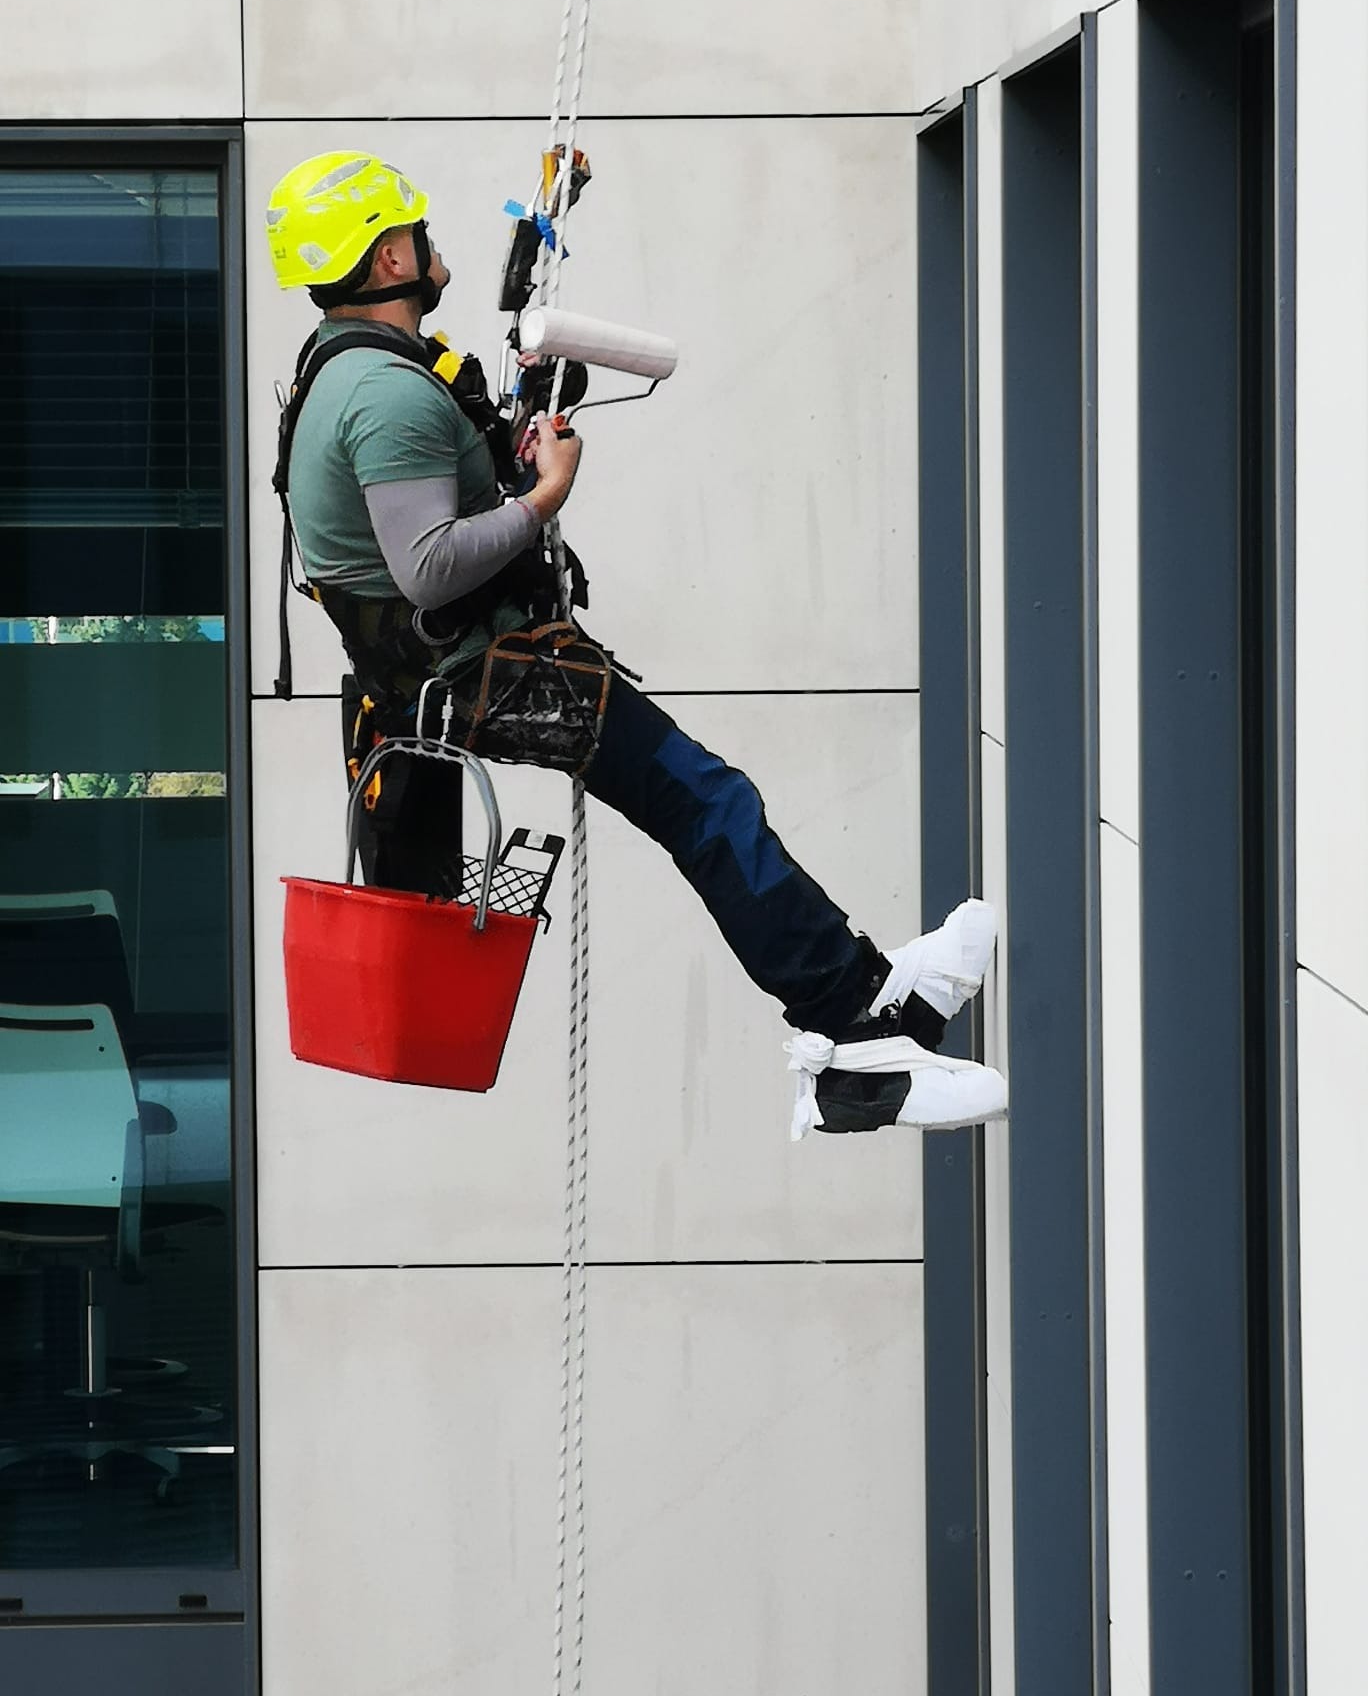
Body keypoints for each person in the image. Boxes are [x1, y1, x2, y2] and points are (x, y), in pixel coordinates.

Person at [265, 151, 1006, 1135]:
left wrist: (507, 465)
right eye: (420, 230)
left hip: (451, 673)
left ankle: (874, 989)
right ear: (390, 252)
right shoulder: (384, 394)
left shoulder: (349, 366)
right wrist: (544, 497)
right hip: (486, 675)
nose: (435, 243)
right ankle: (846, 1048)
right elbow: (431, 567)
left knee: (700, 798)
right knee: (701, 800)